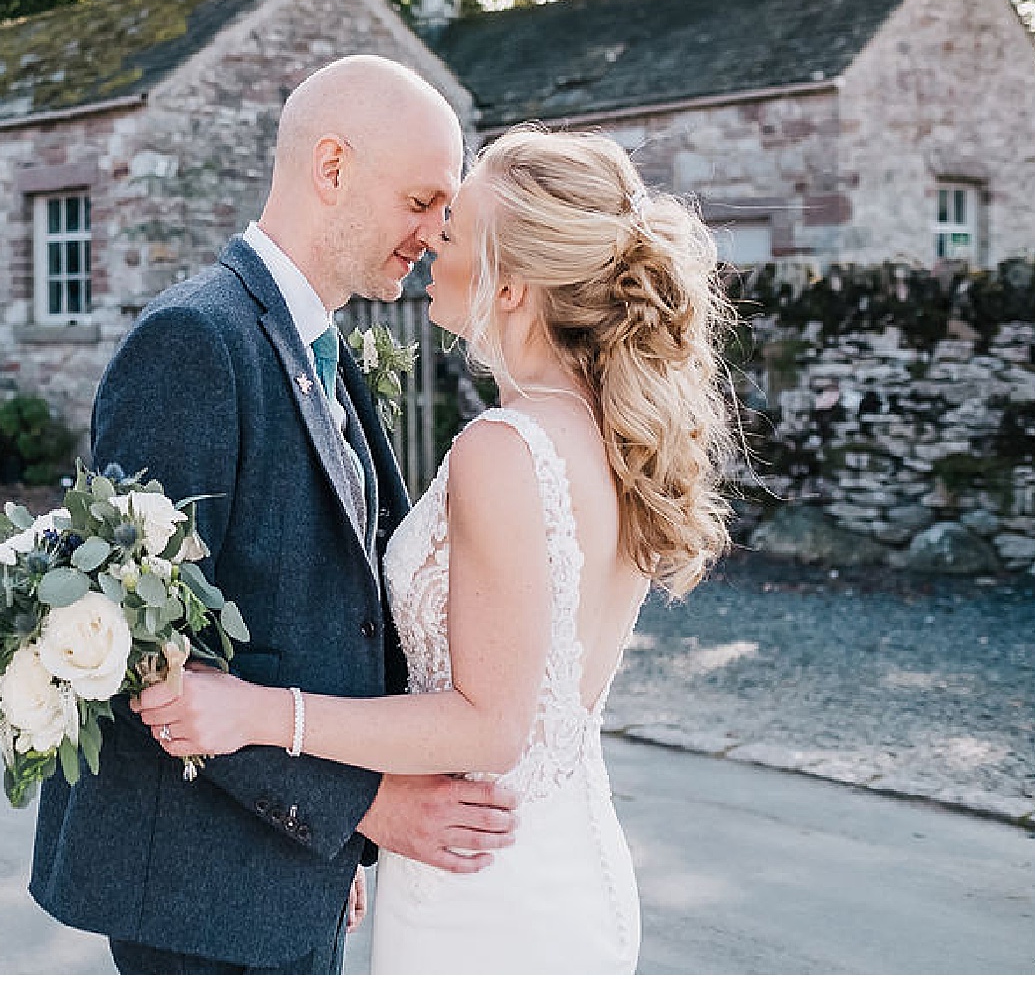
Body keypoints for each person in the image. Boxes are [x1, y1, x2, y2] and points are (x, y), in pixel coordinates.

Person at [135, 124, 737, 975]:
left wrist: (256, 712)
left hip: (486, 887)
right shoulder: (614, 438)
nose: (427, 245)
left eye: (450, 230)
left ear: (514, 286)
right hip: (552, 857)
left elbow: (489, 726)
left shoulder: (506, 449)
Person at [30, 53, 516, 975]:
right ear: (332, 168)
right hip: (193, 887)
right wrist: (362, 807)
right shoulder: (195, 340)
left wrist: (332, 847)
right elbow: (151, 649)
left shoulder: (319, 343)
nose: (434, 233)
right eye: (422, 201)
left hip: (283, 859)